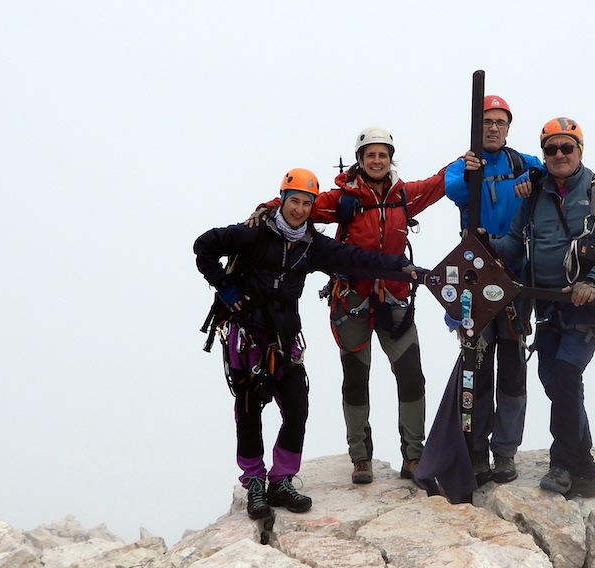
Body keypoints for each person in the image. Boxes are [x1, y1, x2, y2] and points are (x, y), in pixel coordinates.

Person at [194, 167, 420, 520]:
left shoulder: (311, 246)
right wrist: (225, 286)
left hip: (284, 339)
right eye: (294, 201)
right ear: (282, 200)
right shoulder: (252, 236)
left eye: (306, 203)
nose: (299, 209)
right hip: (249, 336)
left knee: (297, 409)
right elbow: (204, 246)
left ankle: (281, 479)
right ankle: (254, 481)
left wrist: (400, 266)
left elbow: (356, 259)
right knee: (250, 410)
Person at [251, 127, 448, 484]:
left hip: (394, 299)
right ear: (359, 160)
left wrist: (464, 162)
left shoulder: (404, 196)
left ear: (391, 160)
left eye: (382, 155)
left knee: (411, 376)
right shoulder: (342, 199)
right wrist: (264, 209)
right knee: (355, 380)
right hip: (353, 301)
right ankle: (361, 459)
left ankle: (414, 457)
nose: (376, 161)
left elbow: (439, 183)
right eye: (370, 155)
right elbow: (299, 202)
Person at [487, 117, 595, 498]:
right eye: (551, 149)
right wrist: (485, 242)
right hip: (546, 304)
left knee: (566, 373)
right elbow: (516, 244)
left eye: (567, 147)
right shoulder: (534, 194)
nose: (559, 155)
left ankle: (563, 464)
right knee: (554, 381)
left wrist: (594, 282)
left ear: (580, 150)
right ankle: (586, 470)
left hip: (586, 302)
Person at [444, 95, 544, 485]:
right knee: (478, 365)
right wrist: (471, 173)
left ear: (508, 127)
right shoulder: (463, 165)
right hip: (477, 275)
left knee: (514, 367)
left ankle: (505, 452)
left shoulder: (522, 163)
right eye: (487, 121)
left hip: (517, 275)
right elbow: (453, 189)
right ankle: (476, 450)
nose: (493, 128)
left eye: (500, 122)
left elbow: (549, 175)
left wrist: (532, 182)